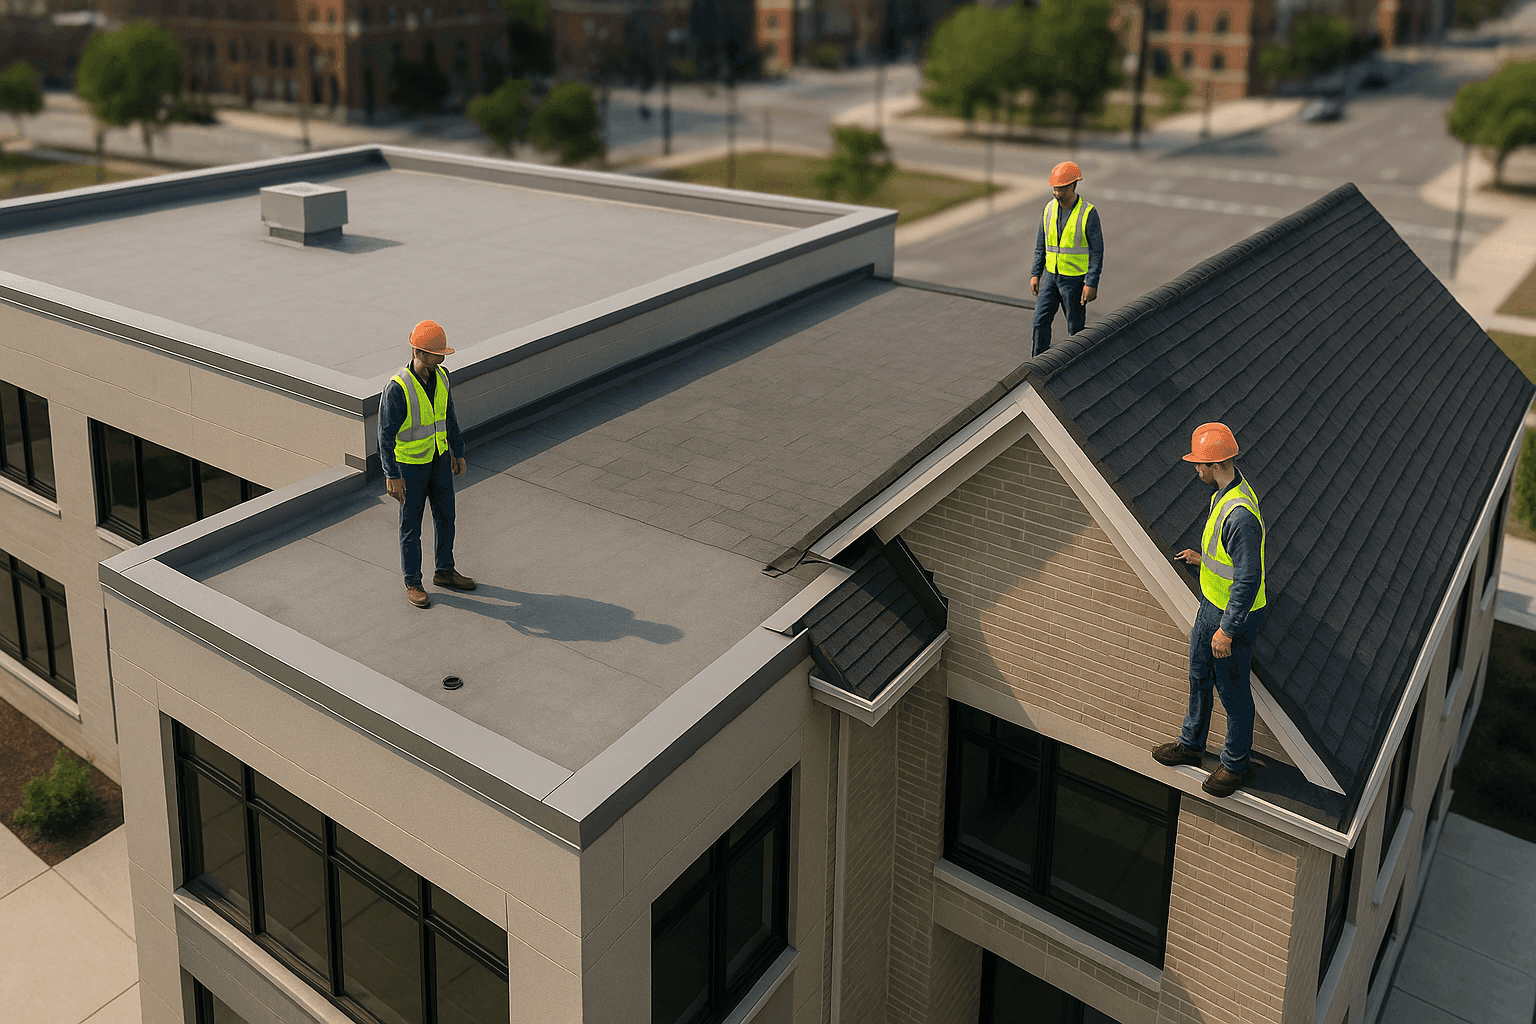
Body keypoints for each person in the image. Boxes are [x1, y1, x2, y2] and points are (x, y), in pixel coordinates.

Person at [1153, 423, 1268, 797]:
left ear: (1217, 464)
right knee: (1199, 675)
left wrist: (1228, 630)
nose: (1195, 470)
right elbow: (1229, 561)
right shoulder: (1224, 492)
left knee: (1232, 691)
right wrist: (1203, 560)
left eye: (1199, 464)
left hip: (1232, 616)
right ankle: (1191, 744)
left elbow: (1248, 580)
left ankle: (1234, 766)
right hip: (1211, 605)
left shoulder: (1240, 515)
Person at [380, 320, 476, 608]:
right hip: (410, 468)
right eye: (437, 353)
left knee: (446, 516)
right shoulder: (398, 388)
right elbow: (385, 435)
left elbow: (449, 417)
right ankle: (413, 582)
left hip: (438, 461)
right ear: (418, 352)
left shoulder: (443, 377)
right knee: (411, 526)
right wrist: (391, 475)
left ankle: (445, 571)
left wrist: (457, 452)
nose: (443, 358)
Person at [1029, 161, 1103, 357]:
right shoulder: (1049, 209)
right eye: (1054, 187)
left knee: (1075, 330)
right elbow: (1041, 245)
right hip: (1050, 277)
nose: (1055, 192)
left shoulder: (1088, 213)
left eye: (1060, 188)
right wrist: (1035, 273)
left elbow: (1097, 252)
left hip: (1074, 280)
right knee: (1039, 322)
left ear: (1073, 185)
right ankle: (1037, 362)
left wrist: (1092, 283)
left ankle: (1075, 368)